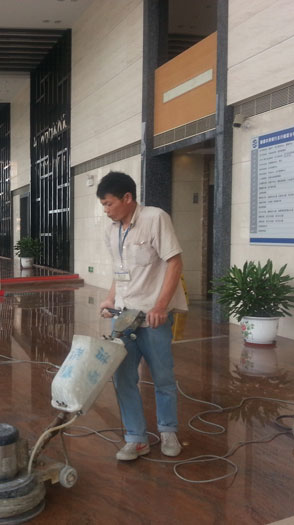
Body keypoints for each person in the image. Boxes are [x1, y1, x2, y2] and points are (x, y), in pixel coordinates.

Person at [96, 171, 187, 461]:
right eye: (103, 205)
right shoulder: (112, 230)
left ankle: (168, 431)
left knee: (162, 377)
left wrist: (161, 306)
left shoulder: (155, 218)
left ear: (127, 198)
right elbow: (120, 271)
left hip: (153, 317)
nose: (106, 210)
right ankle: (136, 438)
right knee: (123, 378)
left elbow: (174, 263)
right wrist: (110, 298)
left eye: (109, 204)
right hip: (123, 316)